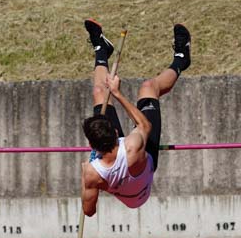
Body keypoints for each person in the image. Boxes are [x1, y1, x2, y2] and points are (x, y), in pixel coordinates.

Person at [81, 19, 191, 216]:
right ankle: (181, 60)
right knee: (148, 87)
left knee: (99, 91)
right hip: (141, 174)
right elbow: (144, 125)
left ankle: (101, 50)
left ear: (92, 145)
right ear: (116, 133)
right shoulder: (132, 145)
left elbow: (88, 211)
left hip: (128, 178)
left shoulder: (92, 172)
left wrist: (87, 181)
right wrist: (117, 93)